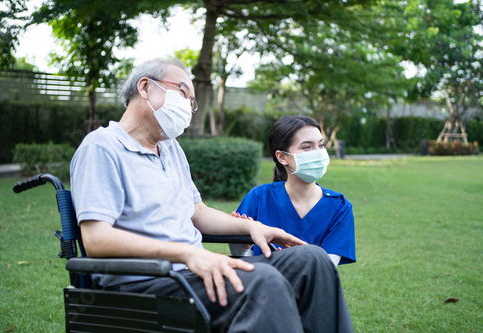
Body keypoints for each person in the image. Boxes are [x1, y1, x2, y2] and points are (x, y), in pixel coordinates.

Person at [70, 58, 354, 332]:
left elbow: (198, 212)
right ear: (145, 87)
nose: (188, 106)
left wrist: (252, 226)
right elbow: (97, 239)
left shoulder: (170, 149)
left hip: (188, 275)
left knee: (312, 260)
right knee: (262, 281)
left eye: (191, 101)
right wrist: (188, 253)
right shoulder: (102, 147)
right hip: (145, 284)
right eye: (183, 92)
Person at [231, 115, 356, 267]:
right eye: (307, 147)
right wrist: (243, 241)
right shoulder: (258, 198)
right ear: (282, 157)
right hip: (262, 286)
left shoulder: (340, 207)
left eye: (321, 145)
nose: (318, 153)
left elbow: (326, 269)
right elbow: (241, 258)